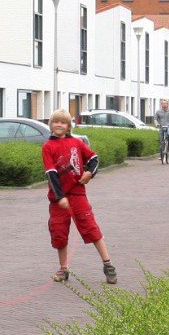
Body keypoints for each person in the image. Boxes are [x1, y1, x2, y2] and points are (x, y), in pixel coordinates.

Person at [41, 109, 116, 285]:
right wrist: (60, 197)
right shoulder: (47, 147)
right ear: (51, 124)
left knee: (91, 227)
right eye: (56, 122)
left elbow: (94, 158)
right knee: (59, 233)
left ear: (68, 126)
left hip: (77, 195)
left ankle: (108, 265)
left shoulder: (77, 142)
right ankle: (63, 268)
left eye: (63, 122)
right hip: (58, 199)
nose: (59, 125)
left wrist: (90, 173)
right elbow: (51, 173)